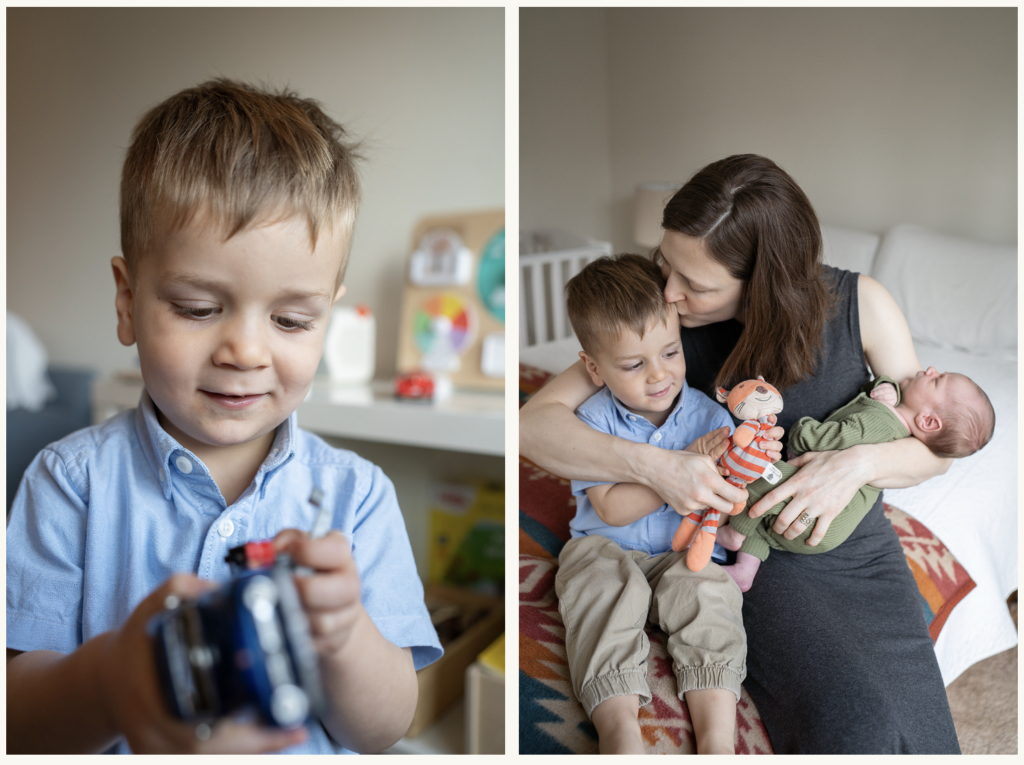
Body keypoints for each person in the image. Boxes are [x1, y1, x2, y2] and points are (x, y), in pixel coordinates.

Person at [6, 80, 442, 754]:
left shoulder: (356, 499)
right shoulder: (69, 484)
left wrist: (347, 632)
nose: (244, 350)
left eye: (292, 319)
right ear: (127, 301)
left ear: (328, 315)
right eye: (197, 308)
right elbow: (18, 721)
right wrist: (108, 684)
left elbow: (386, 728)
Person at [519, 154, 962, 753]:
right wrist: (658, 468)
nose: (671, 292)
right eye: (665, 262)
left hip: (854, 545)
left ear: (763, 282)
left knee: (922, 726)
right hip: (750, 549)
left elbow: (934, 449)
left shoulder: (863, 304)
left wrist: (855, 464)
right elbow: (533, 428)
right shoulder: (663, 320)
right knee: (857, 727)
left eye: (695, 284)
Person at [559, 253, 744, 754]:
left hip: (685, 551)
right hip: (606, 544)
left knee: (709, 595)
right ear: (594, 368)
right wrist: (682, 463)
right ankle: (619, 731)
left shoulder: (711, 417)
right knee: (597, 589)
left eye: (670, 353)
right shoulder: (590, 424)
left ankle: (717, 740)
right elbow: (612, 510)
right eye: (634, 364)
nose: (659, 376)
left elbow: (726, 505)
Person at [719, 369, 995, 591]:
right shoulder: (899, 431)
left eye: (936, 380)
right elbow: (877, 397)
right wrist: (888, 388)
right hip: (827, 530)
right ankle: (745, 571)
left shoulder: (880, 422)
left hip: (820, 518)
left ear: (929, 422)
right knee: (769, 522)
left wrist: (802, 430)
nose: (930, 370)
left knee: (766, 479)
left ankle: (735, 533)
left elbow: (832, 437)